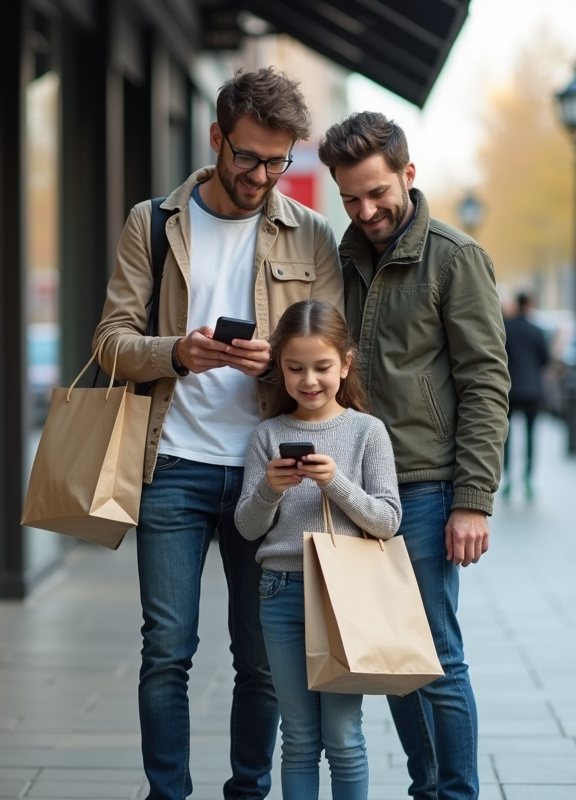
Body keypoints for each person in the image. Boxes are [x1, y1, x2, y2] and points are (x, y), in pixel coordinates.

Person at [92, 67, 343, 800]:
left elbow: (329, 359)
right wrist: (177, 351)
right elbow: (109, 340)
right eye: (247, 157)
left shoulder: (313, 233)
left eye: (278, 160)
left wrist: (281, 364)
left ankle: (247, 791)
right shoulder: (155, 223)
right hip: (172, 462)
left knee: (261, 657)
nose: (261, 175)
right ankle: (167, 794)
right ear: (216, 139)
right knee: (167, 650)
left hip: (271, 472)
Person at [318, 112, 510, 800]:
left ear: (408, 174)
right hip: (359, 490)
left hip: (428, 491)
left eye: (378, 193)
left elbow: (486, 383)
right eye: (351, 199)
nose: (366, 211)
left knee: (438, 659)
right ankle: (425, 789)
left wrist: (473, 500)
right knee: (393, 659)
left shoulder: (455, 259)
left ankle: (454, 794)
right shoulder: (336, 261)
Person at [235, 300, 401, 800]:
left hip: (345, 596)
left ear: (345, 364)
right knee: (299, 738)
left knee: (344, 738)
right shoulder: (267, 436)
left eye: (322, 367)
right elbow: (246, 528)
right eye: (295, 368)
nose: (309, 380)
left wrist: (337, 485)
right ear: (279, 368)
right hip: (281, 591)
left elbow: (388, 521)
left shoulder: (367, 431)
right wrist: (269, 488)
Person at [502, 292, 550, 499]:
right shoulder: (536, 330)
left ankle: (508, 478)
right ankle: (528, 478)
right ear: (529, 304)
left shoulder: (506, 329)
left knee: (506, 436)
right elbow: (545, 359)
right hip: (532, 390)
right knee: (531, 436)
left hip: (509, 390)